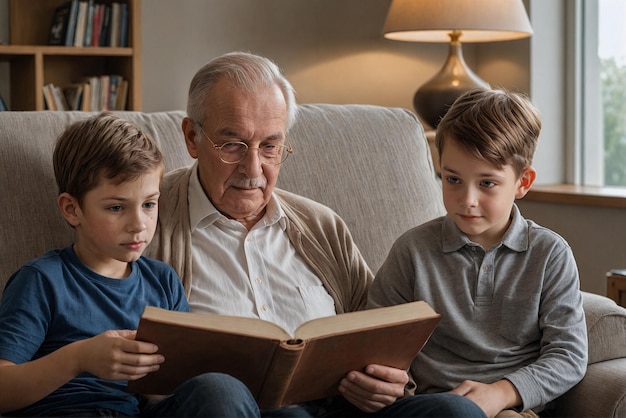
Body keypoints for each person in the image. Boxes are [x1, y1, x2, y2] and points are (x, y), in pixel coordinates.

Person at [146, 51, 486, 417]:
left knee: (456, 412)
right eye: (233, 145)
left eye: (270, 146)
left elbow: (373, 329)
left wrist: (390, 380)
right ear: (192, 138)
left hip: (338, 407)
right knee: (224, 392)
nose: (254, 167)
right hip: (230, 409)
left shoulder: (320, 224)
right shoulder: (146, 220)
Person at [0, 113, 265, 417]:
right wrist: (78, 359)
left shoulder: (162, 281)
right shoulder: (42, 281)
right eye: (116, 207)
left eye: (149, 204)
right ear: (72, 209)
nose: (139, 224)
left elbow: (167, 389)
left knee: (227, 391)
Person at [367, 88, 588, 418]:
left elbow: (568, 355)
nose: (466, 199)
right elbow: (377, 339)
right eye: (453, 179)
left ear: (523, 182)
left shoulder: (549, 254)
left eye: (487, 183)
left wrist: (502, 393)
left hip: (510, 407)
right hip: (428, 406)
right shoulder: (413, 250)